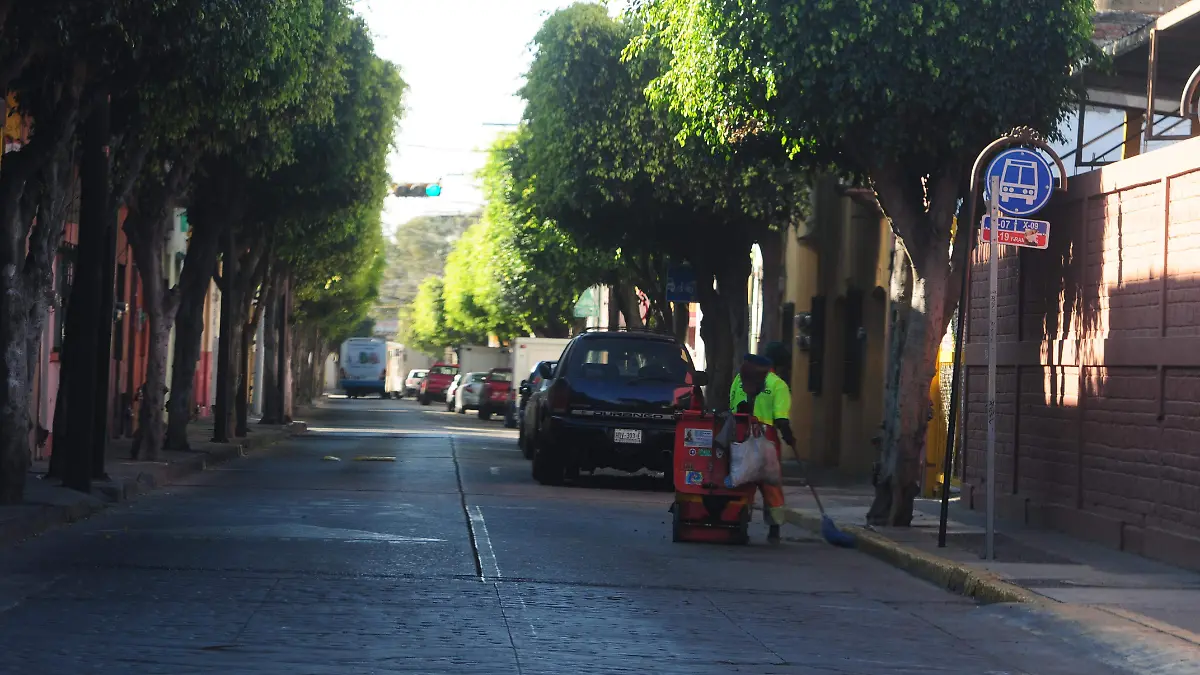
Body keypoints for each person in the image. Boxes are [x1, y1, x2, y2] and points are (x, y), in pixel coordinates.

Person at [729, 350, 795, 543]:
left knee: (743, 481)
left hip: (741, 434)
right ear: (779, 366)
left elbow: (732, 407)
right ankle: (774, 530)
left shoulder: (738, 381)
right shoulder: (778, 385)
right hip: (767, 439)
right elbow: (781, 419)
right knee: (771, 484)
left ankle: (739, 524)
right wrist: (790, 437)